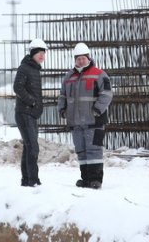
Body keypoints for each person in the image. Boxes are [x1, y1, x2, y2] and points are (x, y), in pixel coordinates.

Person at [58, 42, 112, 189]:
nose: (80, 61)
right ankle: (86, 179)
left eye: (83, 58)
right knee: (81, 151)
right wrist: (62, 109)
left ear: (88, 58)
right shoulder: (69, 77)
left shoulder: (99, 74)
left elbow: (107, 94)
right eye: (78, 58)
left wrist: (97, 110)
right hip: (76, 123)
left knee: (94, 150)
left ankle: (96, 180)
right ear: (75, 59)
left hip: (94, 121)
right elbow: (62, 96)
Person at [14, 38, 47, 187]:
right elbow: (17, 88)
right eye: (39, 53)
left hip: (32, 114)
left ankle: (26, 180)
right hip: (24, 113)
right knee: (33, 147)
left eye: (43, 53)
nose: (42, 56)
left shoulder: (34, 69)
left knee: (29, 147)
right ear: (33, 53)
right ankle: (33, 180)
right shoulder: (24, 68)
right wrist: (32, 102)